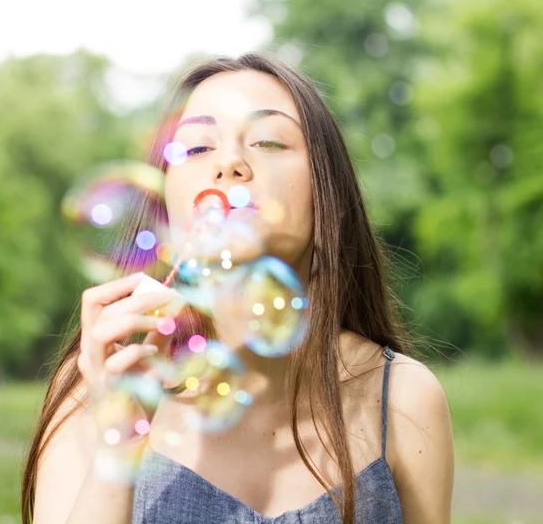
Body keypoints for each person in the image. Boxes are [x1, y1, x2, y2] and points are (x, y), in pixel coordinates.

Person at [22, 52, 454, 524]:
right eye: (196, 149)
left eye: (269, 141)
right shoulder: (95, 387)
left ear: (326, 188)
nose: (229, 163)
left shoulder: (403, 398)